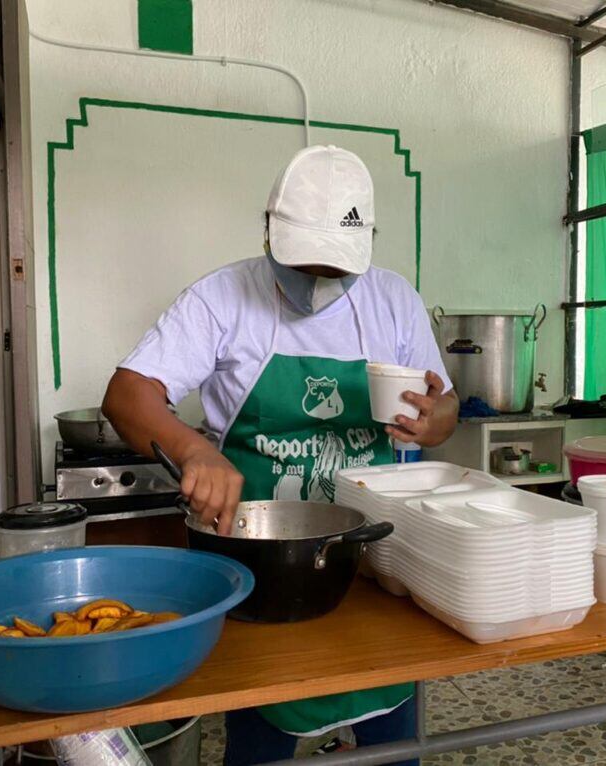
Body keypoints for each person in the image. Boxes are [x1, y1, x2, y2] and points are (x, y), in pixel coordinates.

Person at [102, 144, 458, 765]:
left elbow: (446, 405)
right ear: (268, 232)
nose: (319, 284)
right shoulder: (222, 299)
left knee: (391, 735)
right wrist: (194, 452)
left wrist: (432, 423)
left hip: (374, 564)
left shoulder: (394, 299)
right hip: (262, 566)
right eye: (304, 266)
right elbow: (127, 394)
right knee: (262, 733)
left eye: (336, 270)